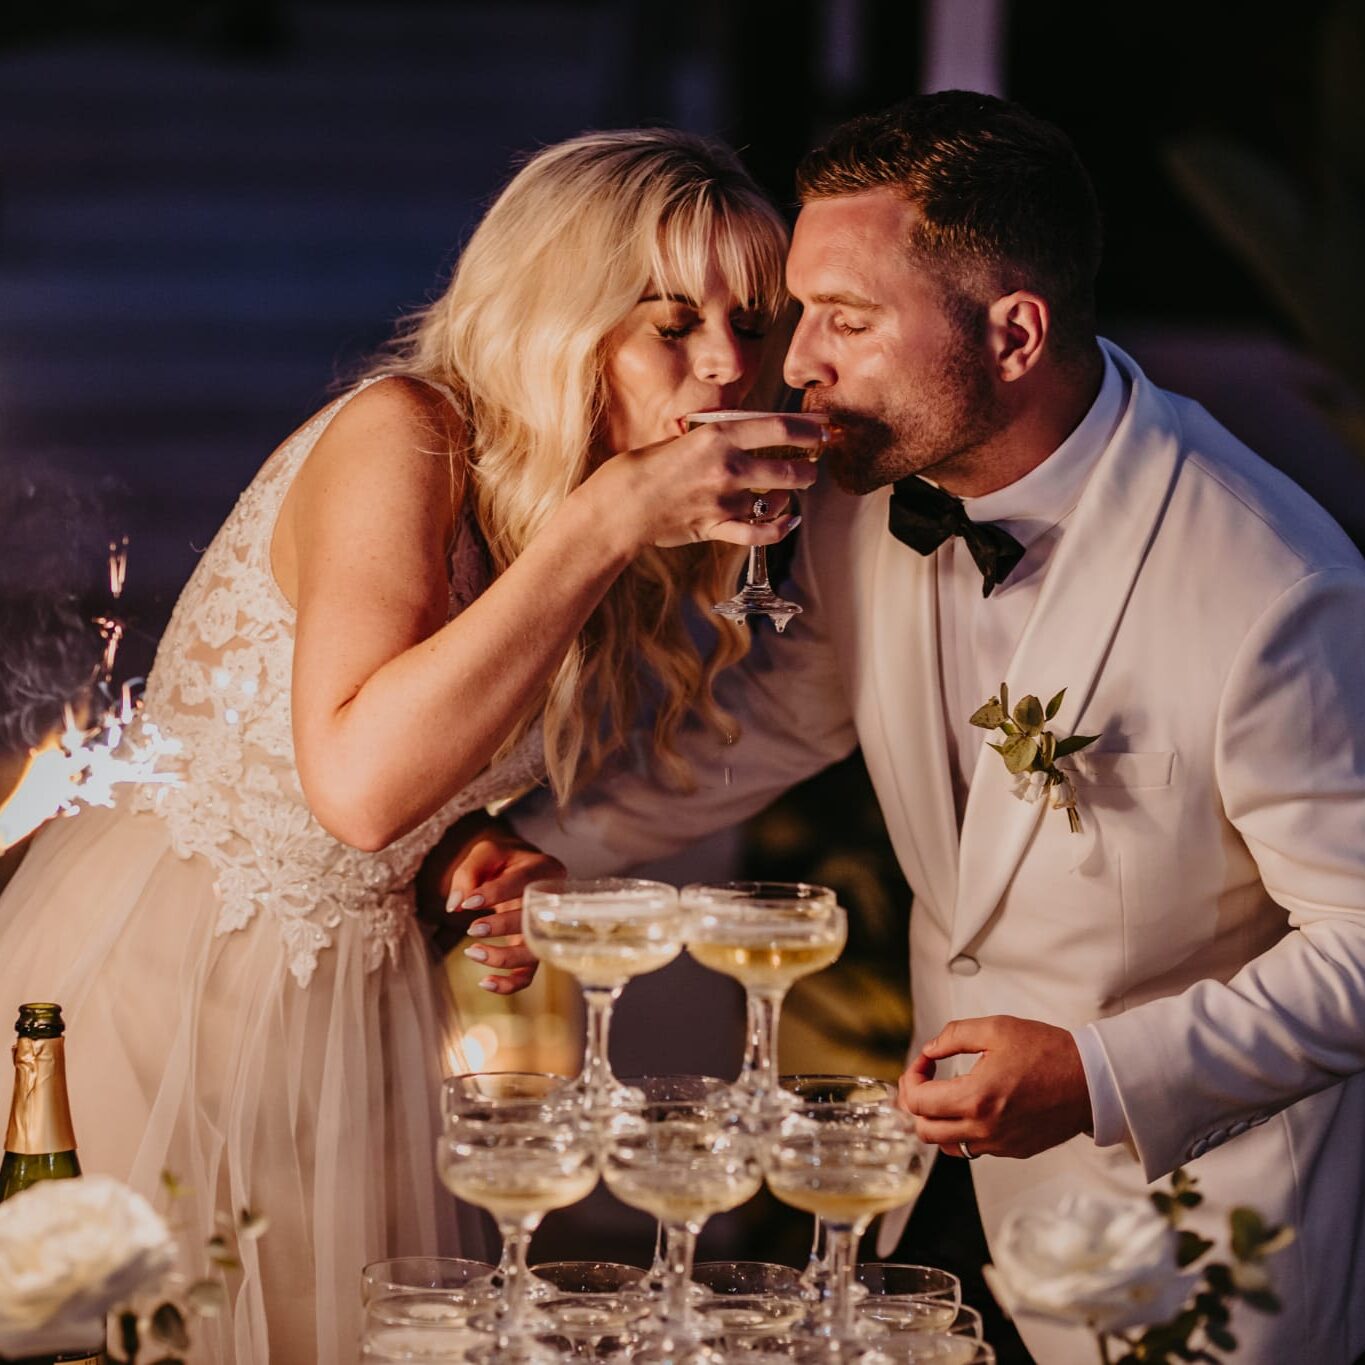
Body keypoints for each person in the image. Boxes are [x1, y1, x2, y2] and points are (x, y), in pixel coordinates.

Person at [457, 94, 1365, 1363]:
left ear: (1013, 333)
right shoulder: (866, 502)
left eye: (847, 320)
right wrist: (562, 842)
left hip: (1182, 1239)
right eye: (803, 314)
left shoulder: (1272, 586)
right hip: (939, 1212)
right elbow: (786, 717)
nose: (800, 362)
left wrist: (1100, 1074)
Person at [0, 129, 822, 1364]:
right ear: (562, 319)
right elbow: (359, 789)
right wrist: (605, 525)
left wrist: (468, 852)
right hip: (172, 983)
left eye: (754, 323)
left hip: (354, 1009)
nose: (725, 363)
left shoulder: (581, 505)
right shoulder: (406, 432)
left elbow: (408, 786)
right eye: (670, 322)